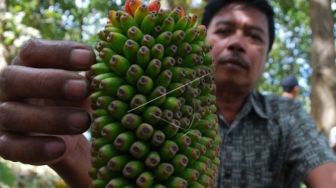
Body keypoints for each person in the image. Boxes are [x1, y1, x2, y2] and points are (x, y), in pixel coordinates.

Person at [0, 0, 336, 187]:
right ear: (202, 42)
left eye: (254, 36)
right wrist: (77, 161)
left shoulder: (287, 117)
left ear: (266, 55)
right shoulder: (134, 106)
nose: (236, 42)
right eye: (224, 29)